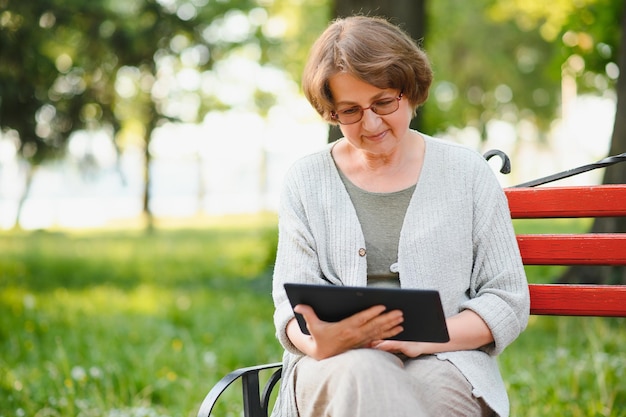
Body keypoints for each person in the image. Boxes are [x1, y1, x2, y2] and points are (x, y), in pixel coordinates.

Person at [271, 15, 529, 417]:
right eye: (350, 112)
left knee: (426, 395)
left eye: (383, 102)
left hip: (446, 359)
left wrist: (422, 341)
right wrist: (317, 344)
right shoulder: (306, 180)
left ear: (409, 91)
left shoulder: (466, 173)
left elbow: (507, 301)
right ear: (331, 112)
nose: (371, 123)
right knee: (363, 370)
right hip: (333, 366)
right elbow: (290, 306)